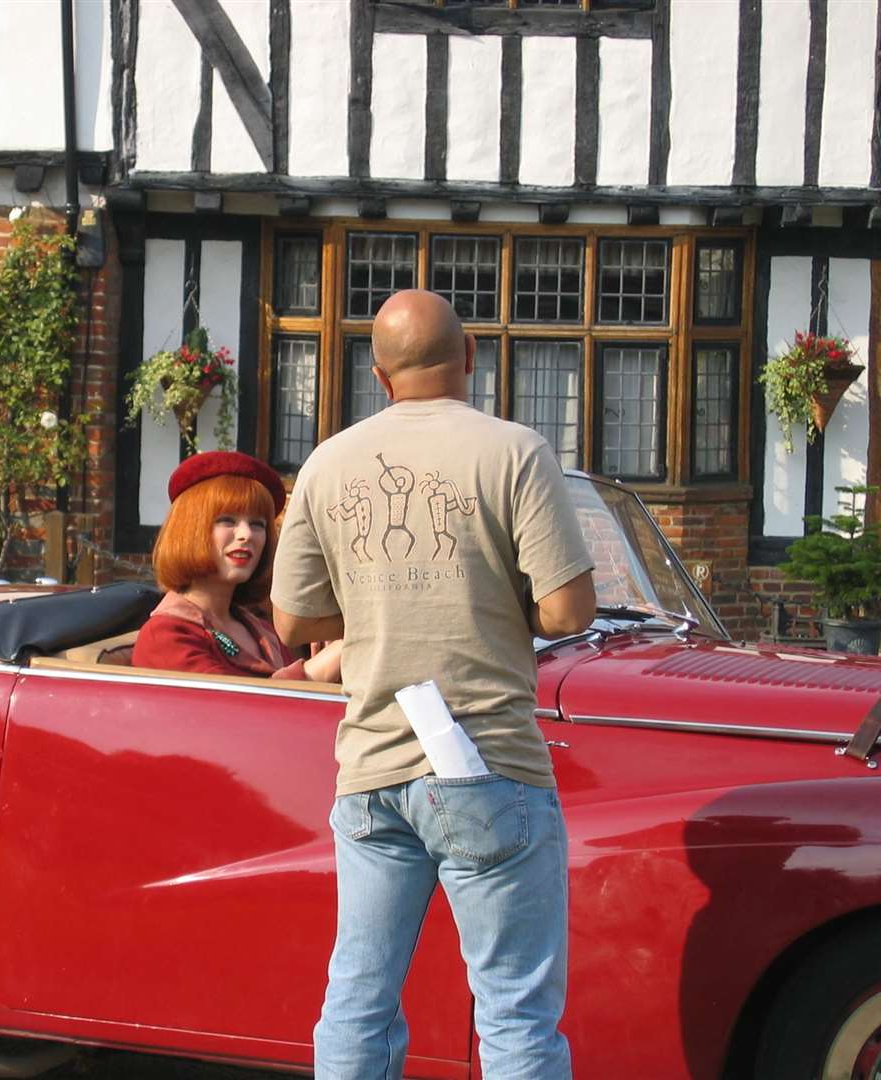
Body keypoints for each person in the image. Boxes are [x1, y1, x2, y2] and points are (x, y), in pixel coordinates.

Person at [271, 290, 596, 1080]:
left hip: (374, 765)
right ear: (472, 358)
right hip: (487, 759)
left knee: (358, 997)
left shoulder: (328, 460)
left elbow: (291, 620)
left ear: (379, 377)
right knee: (513, 1010)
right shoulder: (515, 450)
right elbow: (569, 608)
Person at [134, 450, 341, 683]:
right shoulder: (166, 635)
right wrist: (339, 653)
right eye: (227, 521)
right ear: (189, 529)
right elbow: (239, 712)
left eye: (257, 524)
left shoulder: (262, 629)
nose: (246, 535)